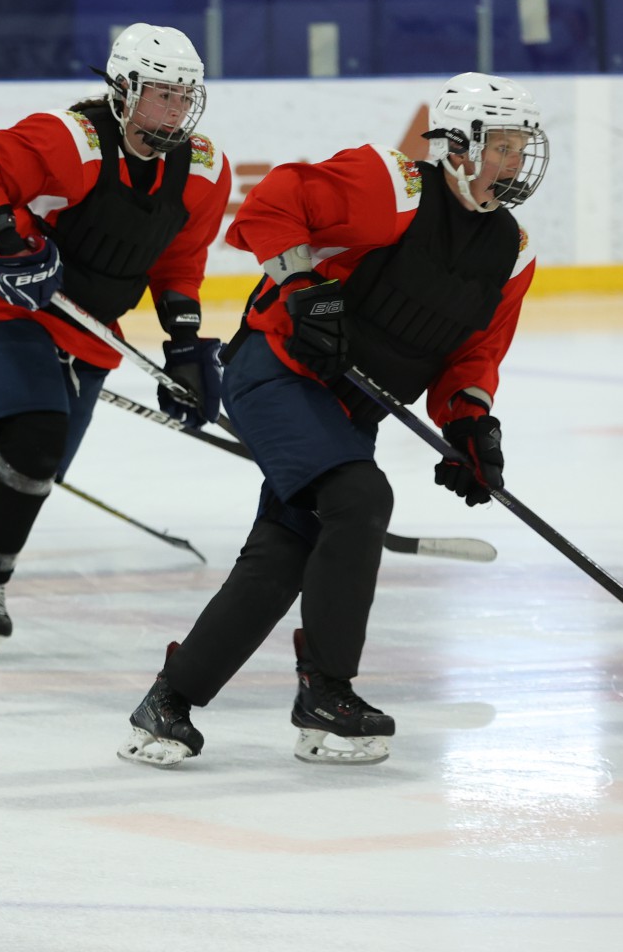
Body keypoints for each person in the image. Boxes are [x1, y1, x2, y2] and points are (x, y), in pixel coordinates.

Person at [117, 72, 548, 769]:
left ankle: (168, 703)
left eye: (522, 145)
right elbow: (267, 207)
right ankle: (327, 690)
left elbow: (474, 355)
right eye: (502, 144)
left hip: (349, 407)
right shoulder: (392, 185)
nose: (516, 160)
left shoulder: (512, 252)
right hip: (274, 372)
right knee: (359, 497)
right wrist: (303, 287)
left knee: (286, 552)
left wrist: (470, 424)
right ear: (460, 147)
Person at [0, 23, 233, 662]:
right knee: (32, 448)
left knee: (26, 471)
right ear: (124, 90)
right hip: (6, 310)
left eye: (183, 96)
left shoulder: (203, 168)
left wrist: (185, 346)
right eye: (160, 95)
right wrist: (9, 240)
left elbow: (180, 261)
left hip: (89, 332)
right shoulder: (74, 139)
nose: (174, 110)